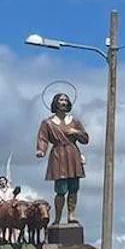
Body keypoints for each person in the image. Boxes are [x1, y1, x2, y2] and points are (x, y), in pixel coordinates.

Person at [35, 92, 89, 225]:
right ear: (55, 103)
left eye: (66, 100)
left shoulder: (74, 121)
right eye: (61, 100)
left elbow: (85, 139)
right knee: (61, 188)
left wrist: (75, 132)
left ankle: (71, 215)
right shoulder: (48, 123)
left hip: (72, 154)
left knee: (74, 187)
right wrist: (41, 150)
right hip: (58, 155)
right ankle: (58, 217)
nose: (63, 102)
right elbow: (43, 138)